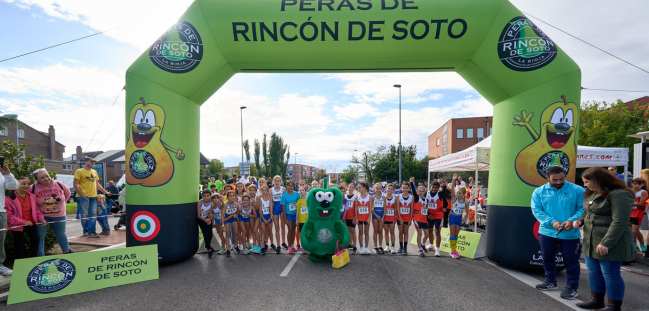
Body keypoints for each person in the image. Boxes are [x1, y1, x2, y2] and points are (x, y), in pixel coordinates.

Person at [577, 167, 634, 311]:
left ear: (598, 180)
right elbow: (588, 212)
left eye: (587, 182)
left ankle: (614, 306)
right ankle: (597, 301)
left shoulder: (619, 194)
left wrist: (606, 242)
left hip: (609, 243)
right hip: (591, 241)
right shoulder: (593, 193)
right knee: (594, 272)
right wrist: (580, 221)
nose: (585, 185)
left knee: (610, 273)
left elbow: (619, 221)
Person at [531, 166, 584, 300]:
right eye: (555, 180)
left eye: (561, 178)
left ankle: (572, 288)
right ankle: (550, 281)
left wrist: (570, 221)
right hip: (547, 232)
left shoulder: (578, 190)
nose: (559, 182)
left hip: (570, 234)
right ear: (547, 178)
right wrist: (552, 222)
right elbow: (537, 210)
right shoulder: (539, 192)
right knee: (548, 258)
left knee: (571, 261)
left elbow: (582, 209)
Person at [32, 168, 72, 254]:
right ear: (37, 180)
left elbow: (68, 193)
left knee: (61, 234)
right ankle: (40, 257)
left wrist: (62, 204)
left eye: (47, 176)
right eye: (42, 178)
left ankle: (67, 253)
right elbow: (32, 202)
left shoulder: (58, 184)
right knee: (41, 237)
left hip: (59, 216)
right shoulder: (33, 188)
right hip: (42, 217)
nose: (46, 178)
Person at [6, 177, 46, 258]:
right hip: (18, 226)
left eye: (28, 184)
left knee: (35, 241)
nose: (26, 185)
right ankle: (21, 263)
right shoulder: (9, 198)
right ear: (16, 184)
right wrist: (24, 222)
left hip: (31, 224)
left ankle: (32, 260)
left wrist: (41, 218)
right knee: (19, 245)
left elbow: (37, 210)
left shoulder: (32, 196)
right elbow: (9, 216)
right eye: (23, 183)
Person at [74, 158, 110, 238]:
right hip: (83, 197)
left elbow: (97, 184)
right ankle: (86, 232)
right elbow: (76, 184)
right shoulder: (79, 171)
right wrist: (82, 195)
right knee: (84, 215)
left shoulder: (94, 172)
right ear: (86, 161)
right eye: (91, 162)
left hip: (93, 196)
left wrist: (105, 192)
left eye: (94, 162)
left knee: (93, 214)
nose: (92, 163)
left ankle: (91, 232)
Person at [0, 162, 17, 275]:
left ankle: (0, 265)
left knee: (0, 240)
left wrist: (8, 174)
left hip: (0, 211)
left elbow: (13, 186)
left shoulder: (1, 174)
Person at [447, 176, 467, 259]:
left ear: (463, 194)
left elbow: (467, 212)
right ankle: (453, 251)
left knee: (456, 235)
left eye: (460, 193)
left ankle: (454, 250)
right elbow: (452, 190)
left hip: (459, 218)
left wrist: (465, 219)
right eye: (458, 193)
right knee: (452, 234)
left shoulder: (466, 202)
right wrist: (453, 180)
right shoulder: (454, 199)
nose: (458, 194)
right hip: (452, 217)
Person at [426, 181, 445, 257]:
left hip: (438, 216)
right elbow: (424, 204)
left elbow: (446, 191)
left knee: (437, 231)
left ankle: (437, 249)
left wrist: (444, 186)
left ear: (438, 188)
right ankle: (431, 244)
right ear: (431, 187)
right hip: (429, 215)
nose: (434, 189)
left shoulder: (440, 194)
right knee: (430, 230)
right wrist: (428, 214)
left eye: (436, 187)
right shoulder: (427, 194)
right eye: (433, 187)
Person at [281, 181, 300, 255]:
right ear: (286, 187)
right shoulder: (284, 195)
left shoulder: (297, 194)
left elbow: (299, 204)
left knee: (293, 230)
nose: (290, 187)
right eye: (289, 186)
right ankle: (289, 246)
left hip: (295, 214)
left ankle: (292, 245)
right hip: (288, 214)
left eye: (292, 186)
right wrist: (284, 218)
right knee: (290, 229)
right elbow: (283, 208)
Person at [629, 178, 647, 254]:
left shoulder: (643, 192)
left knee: (634, 231)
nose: (635, 185)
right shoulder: (631, 191)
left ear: (642, 185)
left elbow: (641, 204)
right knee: (633, 231)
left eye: (638, 184)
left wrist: (631, 203)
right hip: (630, 212)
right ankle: (635, 246)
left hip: (638, 213)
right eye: (634, 183)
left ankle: (642, 245)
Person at [354, 182, 371, 255]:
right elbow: (356, 209)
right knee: (360, 232)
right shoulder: (357, 197)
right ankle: (361, 247)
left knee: (366, 232)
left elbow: (370, 209)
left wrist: (369, 218)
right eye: (358, 187)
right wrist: (357, 218)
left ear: (364, 187)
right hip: (360, 218)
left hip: (366, 217)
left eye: (360, 187)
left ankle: (366, 247)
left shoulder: (369, 197)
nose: (359, 188)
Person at [412, 184, 429, 257]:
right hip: (417, 219)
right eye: (420, 191)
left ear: (425, 191)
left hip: (424, 219)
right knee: (420, 233)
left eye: (423, 190)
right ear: (417, 191)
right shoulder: (416, 198)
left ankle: (422, 244)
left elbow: (426, 210)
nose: (421, 192)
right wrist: (412, 183)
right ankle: (420, 249)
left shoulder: (426, 199)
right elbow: (413, 191)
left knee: (427, 234)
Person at [396, 182, 413, 255]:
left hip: (407, 218)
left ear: (409, 188)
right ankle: (400, 247)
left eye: (406, 188)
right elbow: (397, 208)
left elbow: (411, 209)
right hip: (400, 217)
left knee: (406, 232)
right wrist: (400, 218)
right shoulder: (398, 196)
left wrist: (410, 219)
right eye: (403, 188)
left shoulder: (411, 197)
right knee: (400, 232)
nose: (405, 189)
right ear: (401, 188)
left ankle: (405, 248)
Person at [197, 190, 215, 258]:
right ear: (202, 196)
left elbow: (211, 213)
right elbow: (198, 215)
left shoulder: (212, 203)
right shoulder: (200, 202)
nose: (206, 197)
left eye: (208, 196)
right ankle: (209, 249)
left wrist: (209, 219)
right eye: (204, 196)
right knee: (205, 233)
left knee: (210, 233)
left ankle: (208, 246)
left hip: (208, 219)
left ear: (210, 196)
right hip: (201, 219)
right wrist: (205, 220)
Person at [271, 176, 285, 253]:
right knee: (277, 227)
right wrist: (271, 212)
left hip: (282, 207)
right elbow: (271, 202)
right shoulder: (271, 190)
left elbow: (285, 199)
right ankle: (278, 245)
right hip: (275, 208)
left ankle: (283, 242)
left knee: (283, 226)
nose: (277, 182)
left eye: (279, 181)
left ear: (280, 181)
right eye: (276, 181)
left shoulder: (283, 189)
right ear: (273, 181)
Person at [257, 184, 273, 254]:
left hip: (269, 216)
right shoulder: (260, 198)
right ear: (261, 191)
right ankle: (262, 246)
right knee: (263, 231)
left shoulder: (270, 197)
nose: (264, 191)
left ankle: (270, 244)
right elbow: (260, 211)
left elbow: (271, 209)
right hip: (263, 216)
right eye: (263, 190)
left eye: (266, 190)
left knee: (269, 231)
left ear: (267, 190)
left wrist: (270, 218)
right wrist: (263, 219)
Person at [223, 190, 239, 257]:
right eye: (230, 196)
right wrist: (231, 216)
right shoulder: (225, 205)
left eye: (233, 196)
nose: (232, 197)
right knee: (228, 234)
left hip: (234, 219)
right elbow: (223, 217)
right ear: (227, 197)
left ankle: (235, 246)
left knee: (235, 233)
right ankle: (228, 249)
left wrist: (236, 215)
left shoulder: (236, 203)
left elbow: (238, 211)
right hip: (227, 220)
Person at [343, 183, 357, 254]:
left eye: (352, 187)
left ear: (354, 188)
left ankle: (354, 245)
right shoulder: (345, 196)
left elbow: (356, 208)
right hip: (346, 217)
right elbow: (344, 207)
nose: (350, 188)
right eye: (349, 187)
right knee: (348, 231)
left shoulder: (355, 197)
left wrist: (355, 217)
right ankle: (350, 244)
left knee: (353, 231)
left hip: (352, 216)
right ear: (347, 188)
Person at [383, 184, 397, 254]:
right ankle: (387, 246)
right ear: (386, 189)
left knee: (392, 232)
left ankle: (393, 247)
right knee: (386, 232)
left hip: (392, 218)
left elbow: (395, 209)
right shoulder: (383, 197)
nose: (389, 190)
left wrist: (395, 219)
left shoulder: (395, 198)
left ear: (393, 190)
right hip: (385, 218)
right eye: (388, 188)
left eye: (391, 189)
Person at [371, 183, 385, 255]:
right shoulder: (372, 197)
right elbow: (372, 209)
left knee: (380, 231)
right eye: (376, 188)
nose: (378, 189)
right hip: (375, 216)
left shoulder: (383, 197)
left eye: (379, 188)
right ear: (374, 189)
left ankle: (380, 246)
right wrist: (377, 216)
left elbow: (385, 208)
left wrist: (382, 216)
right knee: (375, 231)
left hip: (382, 216)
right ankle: (375, 246)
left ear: (381, 189)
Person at [296, 186, 308, 252]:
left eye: (302, 190)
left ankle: (306, 246)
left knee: (306, 233)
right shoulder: (299, 201)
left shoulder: (308, 200)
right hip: (301, 220)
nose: (301, 191)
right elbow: (297, 211)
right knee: (301, 234)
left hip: (307, 221)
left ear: (305, 191)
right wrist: (296, 220)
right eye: (300, 190)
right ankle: (302, 245)